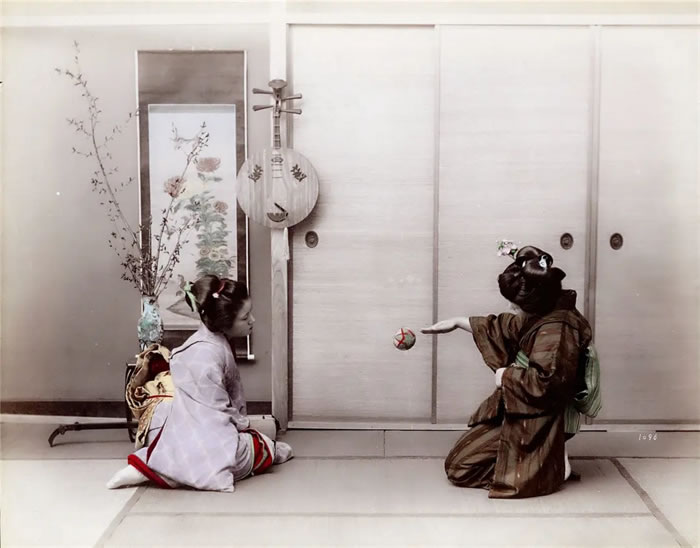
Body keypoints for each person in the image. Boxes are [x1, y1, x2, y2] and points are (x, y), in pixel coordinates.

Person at [422, 244, 592, 498]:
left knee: (460, 468)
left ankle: (551, 466)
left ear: (535, 303)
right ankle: (549, 458)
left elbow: (547, 382)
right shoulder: (546, 310)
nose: (511, 308)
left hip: (544, 414)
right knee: (460, 458)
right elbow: (508, 326)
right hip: (527, 405)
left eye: (515, 305)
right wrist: (459, 322)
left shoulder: (557, 329)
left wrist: (505, 376)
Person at [107, 275, 293, 491]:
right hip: (209, 433)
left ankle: (154, 467)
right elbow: (219, 412)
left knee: (182, 446)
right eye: (245, 317)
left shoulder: (203, 343)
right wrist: (244, 427)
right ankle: (161, 470)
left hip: (181, 428)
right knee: (260, 446)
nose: (252, 320)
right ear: (224, 321)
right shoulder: (210, 354)